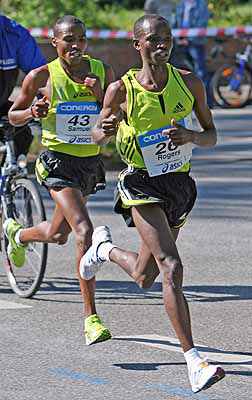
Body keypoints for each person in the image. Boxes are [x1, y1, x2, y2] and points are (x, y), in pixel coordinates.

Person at [79, 14, 225, 393]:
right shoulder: (121, 90)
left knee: (146, 276)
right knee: (171, 267)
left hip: (179, 185)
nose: (162, 45)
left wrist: (190, 135)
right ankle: (194, 362)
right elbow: (96, 135)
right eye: (154, 40)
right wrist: (103, 130)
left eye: (167, 38)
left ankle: (103, 249)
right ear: (137, 45)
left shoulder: (189, 82)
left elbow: (211, 136)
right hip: (140, 182)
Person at [7, 15, 115, 345]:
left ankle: (19, 234)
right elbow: (14, 114)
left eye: (81, 39)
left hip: (88, 164)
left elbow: (118, 114)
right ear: (55, 43)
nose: (75, 46)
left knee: (58, 235)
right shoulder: (42, 76)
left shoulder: (103, 72)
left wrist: (101, 99)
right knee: (83, 230)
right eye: (68, 40)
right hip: (56, 163)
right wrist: (31, 114)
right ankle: (91, 319)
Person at [0, 13, 46, 156]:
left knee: (22, 132)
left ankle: (15, 173)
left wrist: (53, 103)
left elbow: (42, 79)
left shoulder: (15, 33)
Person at [171, 0, 209, 86]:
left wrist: (189, 39)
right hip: (180, 42)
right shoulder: (181, 4)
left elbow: (202, 24)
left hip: (196, 42)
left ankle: (205, 96)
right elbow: (175, 23)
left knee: (200, 71)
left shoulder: (202, 4)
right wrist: (177, 39)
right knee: (178, 68)